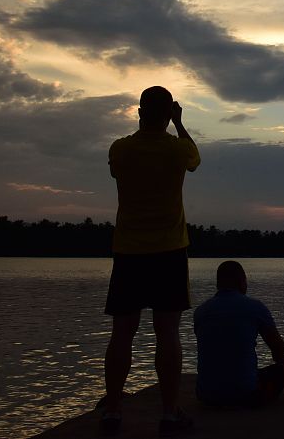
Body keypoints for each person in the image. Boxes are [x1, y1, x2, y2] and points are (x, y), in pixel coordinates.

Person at [100, 86, 201, 436]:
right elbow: (195, 159)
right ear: (168, 113)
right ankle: (170, 413)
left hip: (129, 252)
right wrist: (179, 123)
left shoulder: (121, 149)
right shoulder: (177, 149)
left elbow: (115, 173)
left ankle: (112, 409)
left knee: (122, 334)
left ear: (139, 112)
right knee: (168, 333)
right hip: (169, 251)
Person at [193, 260, 284, 408]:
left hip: (206, 395)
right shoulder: (255, 308)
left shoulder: (200, 311)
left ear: (218, 284)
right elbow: (279, 351)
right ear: (242, 282)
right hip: (246, 395)